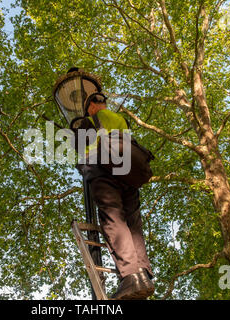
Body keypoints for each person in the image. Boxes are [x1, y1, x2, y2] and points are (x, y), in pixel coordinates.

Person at [75, 92, 154, 300]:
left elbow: (80, 147)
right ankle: (143, 274)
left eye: (87, 107)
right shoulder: (120, 119)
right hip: (128, 175)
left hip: (103, 170)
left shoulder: (88, 121)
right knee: (133, 223)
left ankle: (130, 276)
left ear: (92, 106)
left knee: (113, 217)